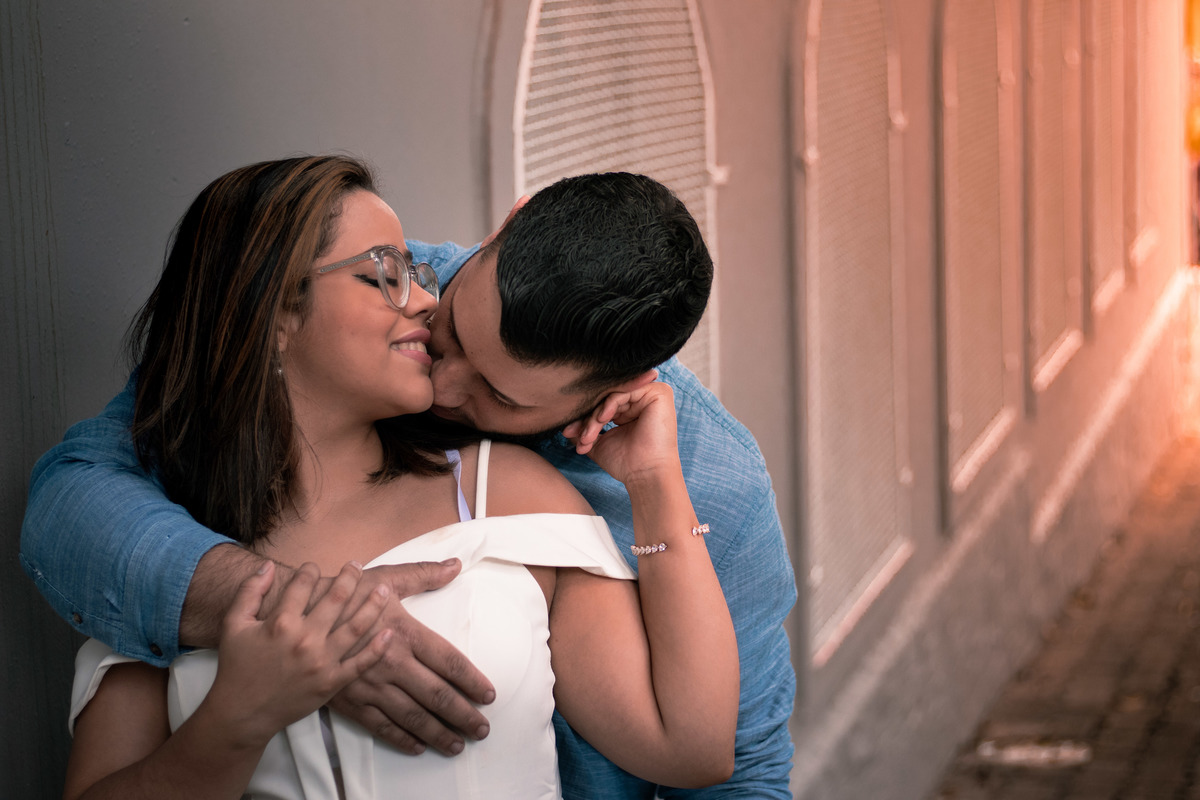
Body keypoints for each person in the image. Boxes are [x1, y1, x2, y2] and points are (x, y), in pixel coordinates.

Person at [23, 167, 797, 797]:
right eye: (448, 328)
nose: (444, 379)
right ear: (504, 227)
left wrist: (654, 482)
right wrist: (258, 668)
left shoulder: (675, 485)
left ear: (616, 389)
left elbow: (717, 760)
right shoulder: (162, 522)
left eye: (501, 398)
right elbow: (71, 494)